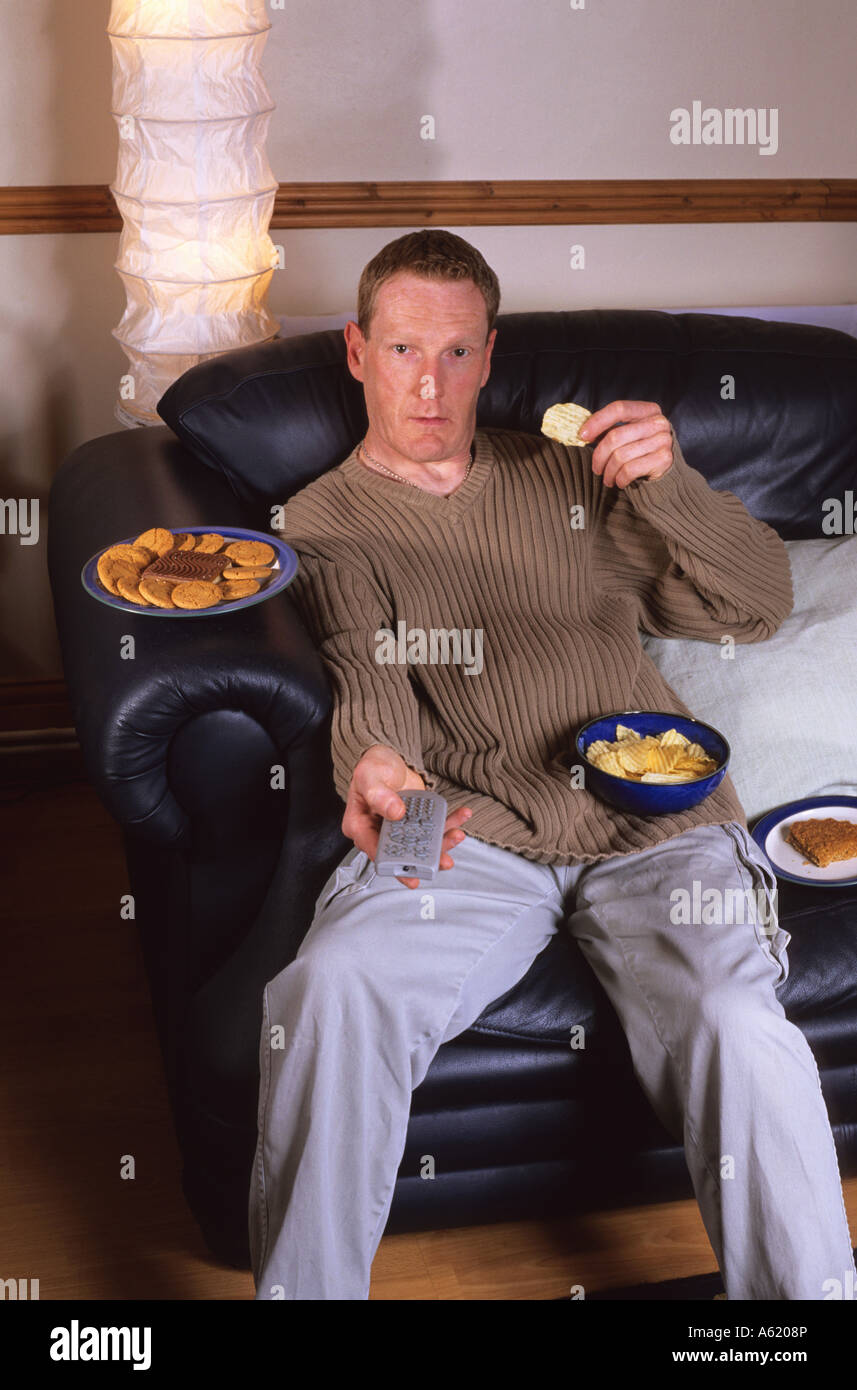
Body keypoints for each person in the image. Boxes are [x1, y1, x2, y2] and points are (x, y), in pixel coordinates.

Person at [248, 229, 855, 1300]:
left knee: (739, 1025)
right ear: (355, 351)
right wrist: (377, 767)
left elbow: (758, 601)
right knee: (332, 985)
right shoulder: (323, 522)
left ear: (488, 354)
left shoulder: (568, 475)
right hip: (465, 823)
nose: (426, 385)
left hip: (658, 817)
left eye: (453, 354)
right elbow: (359, 662)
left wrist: (672, 487)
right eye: (400, 352)